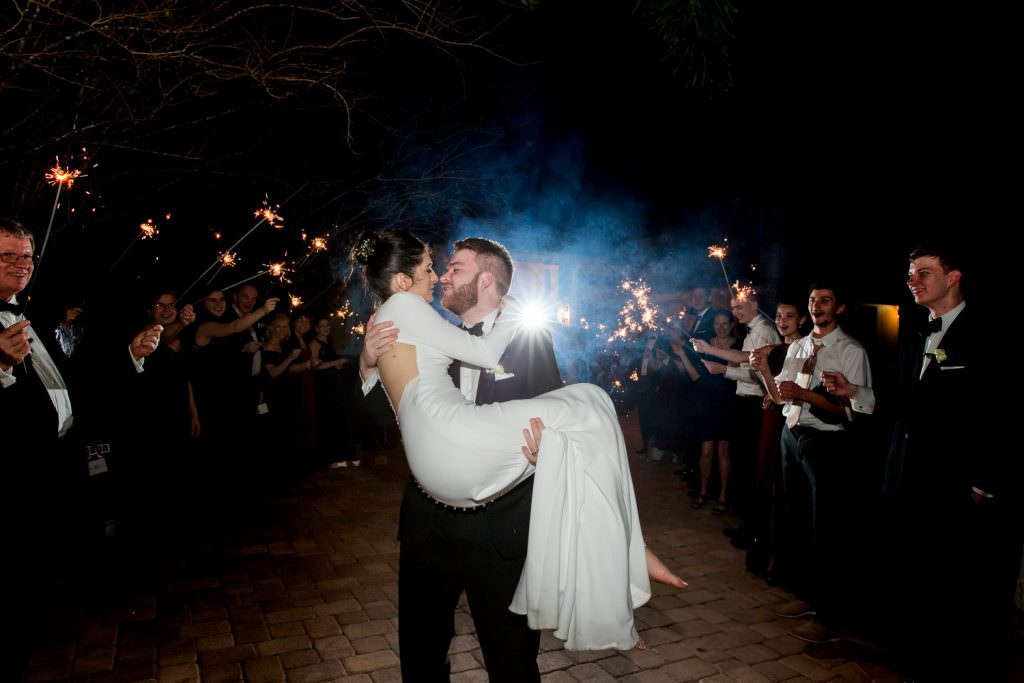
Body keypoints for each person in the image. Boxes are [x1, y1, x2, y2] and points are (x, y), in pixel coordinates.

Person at [355, 230, 684, 681]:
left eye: (455, 268)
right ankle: (632, 553)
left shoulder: (530, 340)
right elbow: (393, 414)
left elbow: (552, 408)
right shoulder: (429, 330)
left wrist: (544, 449)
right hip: (428, 522)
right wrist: (367, 362)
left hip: (499, 524)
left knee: (509, 659)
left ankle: (627, 553)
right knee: (421, 647)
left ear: (486, 280)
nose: (443, 276)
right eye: (438, 268)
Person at [824, 243, 1019, 681]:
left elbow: (1000, 414)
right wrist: (854, 393)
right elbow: (904, 402)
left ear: (953, 278)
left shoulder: (987, 333)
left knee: (955, 588)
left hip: (954, 485)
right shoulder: (916, 331)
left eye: (924, 273)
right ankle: (916, 660)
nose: (913, 281)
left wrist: (982, 484)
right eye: (911, 273)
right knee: (915, 581)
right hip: (908, 478)